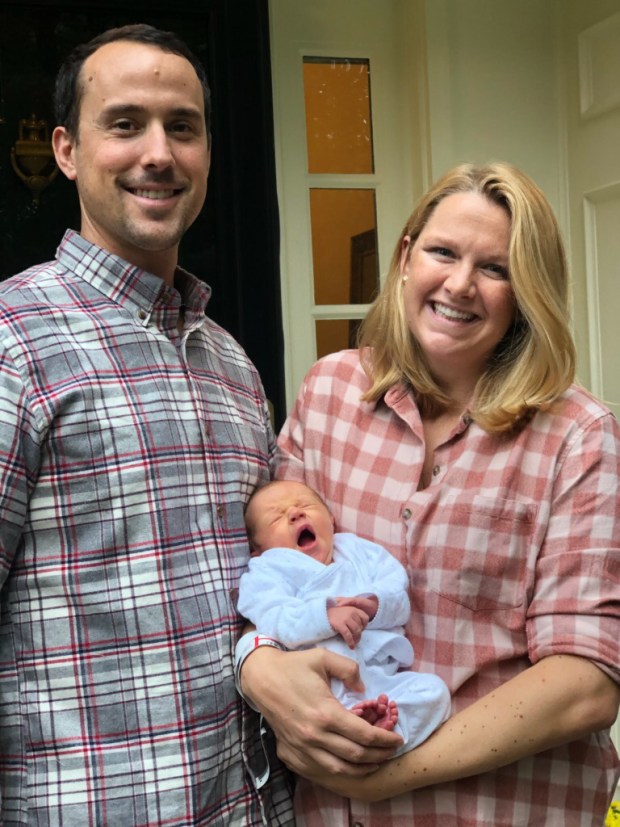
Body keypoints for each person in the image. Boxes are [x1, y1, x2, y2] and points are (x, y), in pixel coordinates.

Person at [237, 162, 620, 825]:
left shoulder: (577, 434)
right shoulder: (329, 392)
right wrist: (257, 664)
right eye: (443, 252)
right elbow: (269, 567)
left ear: (528, 291)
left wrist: (389, 775)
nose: (461, 284)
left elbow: (586, 683)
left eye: (495, 268)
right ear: (406, 257)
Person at [0, 24, 293, 826]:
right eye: (125, 124)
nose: (159, 153)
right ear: (67, 150)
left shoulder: (232, 364)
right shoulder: (13, 341)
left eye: (182, 127)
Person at [238, 479, 451, 752]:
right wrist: (324, 617)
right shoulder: (267, 569)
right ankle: (353, 726)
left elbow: (397, 591)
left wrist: (374, 606)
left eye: (305, 505)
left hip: (378, 678)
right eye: (276, 517)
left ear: (331, 520)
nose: (295, 513)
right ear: (257, 549)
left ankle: (384, 735)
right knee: (329, 657)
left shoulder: (358, 550)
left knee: (435, 692)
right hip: (321, 683)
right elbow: (272, 617)